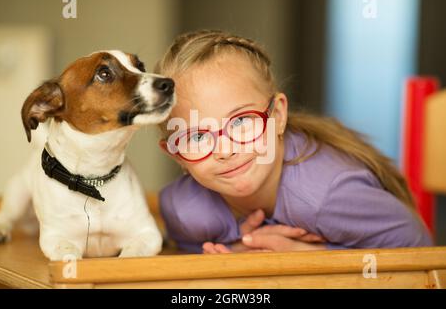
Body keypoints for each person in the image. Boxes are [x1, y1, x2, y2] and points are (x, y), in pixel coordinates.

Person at [154, 29, 432, 254]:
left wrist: (314, 256)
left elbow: (418, 249)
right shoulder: (185, 210)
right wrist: (237, 249)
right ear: (175, 153)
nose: (225, 150)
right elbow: (187, 252)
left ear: (277, 115)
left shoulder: (327, 196)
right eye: (198, 137)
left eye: (240, 121)